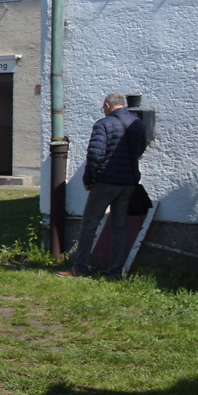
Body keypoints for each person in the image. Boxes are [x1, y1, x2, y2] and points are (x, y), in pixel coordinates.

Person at [62, 92, 147, 279]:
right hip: (128, 183)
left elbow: (95, 156)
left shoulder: (104, 124)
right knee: (119, 227)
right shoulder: (138, 124)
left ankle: (80, 268)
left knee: (89, 224)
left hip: (106, 182)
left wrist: (88, 180)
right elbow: (140, 149)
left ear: (107, 106)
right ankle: (115, 272)